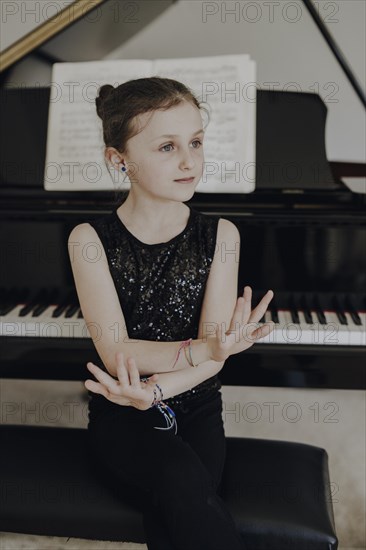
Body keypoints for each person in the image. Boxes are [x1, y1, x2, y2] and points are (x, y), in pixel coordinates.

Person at [68, 76, 275, 550]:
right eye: (167, 147)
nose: (189, 161)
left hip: (197, 403)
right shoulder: (89, 239)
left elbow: (214, 362)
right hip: (121, 411)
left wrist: (159, 388)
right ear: (119, 160)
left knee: (181, 500)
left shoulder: (222, 235)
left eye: (196, 142)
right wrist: (202, 352)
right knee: (182, 482)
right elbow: (118, 350)